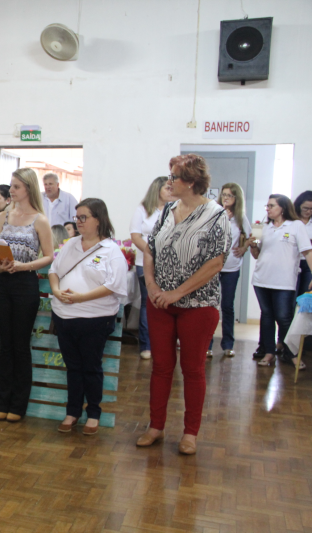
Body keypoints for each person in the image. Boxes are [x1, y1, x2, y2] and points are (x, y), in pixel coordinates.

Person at [137, 154, 231, 455]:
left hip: (198, 305)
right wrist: (151, 286)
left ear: (190, 182)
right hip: (159, 302)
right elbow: (150, 250)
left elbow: (215, 263)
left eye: (174, 177)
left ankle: (190, 433)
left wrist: (177, 293)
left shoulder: (216, 215)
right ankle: (156, 426)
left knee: (192, 369)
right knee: (161, 367)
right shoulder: (167, 210)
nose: (169, 182)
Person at [49, 198, 127, 435]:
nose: (78, 222)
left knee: (91, 368)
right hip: (64, 316)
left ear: (99, 219)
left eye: (84, 217)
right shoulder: (71, 244)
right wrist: (56, 291)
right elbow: (54, 271)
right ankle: (72, 412)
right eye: (77, 217)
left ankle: (93, 414)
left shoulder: (111, 251)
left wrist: (81, 297)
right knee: (73, 367)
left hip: (95, 318)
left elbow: (114, 285)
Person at [0, 168, 54, 422]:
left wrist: (24, 266)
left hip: (26, 283)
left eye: (16, 186)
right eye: (11, 186)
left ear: (28, 188)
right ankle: (2, 401)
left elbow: (49, 256)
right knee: (5, 345)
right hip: (2, 283)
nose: (12, 190)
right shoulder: (3, 216)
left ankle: (18, 405)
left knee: (20, 345)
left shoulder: (40, 220)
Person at [249, 194, 312, 368]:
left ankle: (291, 353)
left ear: (282, 208)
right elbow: (257, 255)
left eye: (271, 206)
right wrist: (253, 245)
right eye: (267, 206)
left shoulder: (296, 226)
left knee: (284, 317)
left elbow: (307, 252)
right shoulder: (264, 227)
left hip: (284, 281)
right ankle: (269, 352)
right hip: (261, 279)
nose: (268, 209)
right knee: (267, 316)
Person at [129, 176, 171, 359]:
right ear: (157, 190)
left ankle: (164, 344)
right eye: (167, 188)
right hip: (144, 263)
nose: (170, 191)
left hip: (169, 264)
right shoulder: (143, 209)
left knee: (167, 304)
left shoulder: (175, 208)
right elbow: (135, 236)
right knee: (148, 303)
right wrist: (151, 253)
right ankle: (146, 345)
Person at [207, 183, 251, 358]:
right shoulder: (214, 214)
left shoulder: (240, 218)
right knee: (210, 305)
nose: (226, 198)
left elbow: (249, 237)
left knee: (227, 306)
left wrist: (244, 248)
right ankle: (207, 344)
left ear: (236, 199)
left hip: (231, 267)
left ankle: (228, 344)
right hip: (212, 266)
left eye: (230, 195)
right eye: (224, 194)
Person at [294, 191, 312, 298]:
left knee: (305, 296)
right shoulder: (292, 221)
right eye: (306, 208)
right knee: (291, 296)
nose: (309, 211)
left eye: (311, 209)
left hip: (309, 263)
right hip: (293, 261)